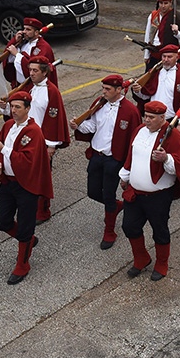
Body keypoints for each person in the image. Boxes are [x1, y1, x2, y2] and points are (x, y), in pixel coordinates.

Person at [118, 100, 180, 280]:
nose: (146, 120)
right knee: (129, 226)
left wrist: (166, 158)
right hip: (135, 192)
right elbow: (131, 156)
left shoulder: (173, 136)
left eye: (151, 117)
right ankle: (141, 258)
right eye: (145, 116)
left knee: (159, 230)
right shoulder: (139, 131)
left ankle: (162, 263)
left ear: (162, 118)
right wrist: (125, 176)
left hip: (158, 196)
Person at [72, 75, 141, 250]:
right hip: (96, 156)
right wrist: (78, 126)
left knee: (108, 194)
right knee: (93, 192)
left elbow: (134, 140)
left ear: (119, 90)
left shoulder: (130, 111)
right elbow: (92, 126)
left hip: (114, 159)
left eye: (107, 89)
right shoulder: (99, 103)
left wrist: (129, 167)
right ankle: (116, 206)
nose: (103, 91)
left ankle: (109, 230)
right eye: (103, 88)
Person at [0, 91, 53, 284]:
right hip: (8, 182)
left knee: (26, 225)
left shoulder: (34, 131)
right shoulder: (8, 125)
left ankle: (23, 264)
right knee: (1, 221)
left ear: (27, 108)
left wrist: (4, 150)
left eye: (18, 107)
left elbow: (27, 160)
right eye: (12, 106)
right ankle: (28, 241)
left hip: (27, 185)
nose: (14, 110)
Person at [10, 56, 69, 223]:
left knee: (41, 177)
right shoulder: (29, 87)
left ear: (45, 72)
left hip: (42, 141)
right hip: (25, 138)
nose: (31, 73)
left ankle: (43, 210)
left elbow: (54, 118)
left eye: (36, 70)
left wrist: (51, 145)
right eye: (30, 70)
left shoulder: (52, 92)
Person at [132, 44, 180, 135]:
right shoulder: (155, 73)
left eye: (169, 57)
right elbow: (146, 95)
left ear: (177, 57)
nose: (166, 60)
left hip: (172, 122)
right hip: (153, 120)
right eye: (164, 56)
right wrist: (138, 90)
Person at [1, 17, 57, 86]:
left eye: (28, 29)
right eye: (24, 28)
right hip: (19, 85)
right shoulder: (24, 42)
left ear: (36, 32)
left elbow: (34, 69)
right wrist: (14, 41)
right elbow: (7, 56)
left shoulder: (43, 47)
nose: (24, 32)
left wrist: (17, 55)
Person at [143, 0, 180, 70]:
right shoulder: (153, 16)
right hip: (154, 55)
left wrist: (177, 33)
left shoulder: (178, 18)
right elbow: (148, 36)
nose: (163, 6)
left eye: (166, 3)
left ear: (171, 3)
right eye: (161, 3)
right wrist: (146, 55)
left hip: (169, 58)